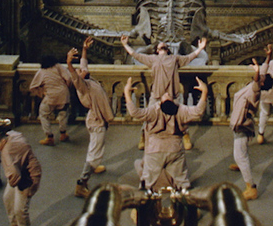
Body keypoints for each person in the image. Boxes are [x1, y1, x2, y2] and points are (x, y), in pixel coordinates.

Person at [121, 34, 207, 149]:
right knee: (148, 115)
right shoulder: (152, 59)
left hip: (172, 94)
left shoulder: (175, 59)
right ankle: (143, 136)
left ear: (167, 50)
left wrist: (200, 48)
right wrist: (125, 44)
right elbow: (135, 55)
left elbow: (190, 57)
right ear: (157, 50)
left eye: (164, 46)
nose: (162, 46)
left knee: (180, 116)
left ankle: (185, 135)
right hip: (157, 94)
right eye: (160, 46)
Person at [124, 74, 207, 191]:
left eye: (166, 96)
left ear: (161, 103)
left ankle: (143, 203)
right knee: (182, 181)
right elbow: (198, 111)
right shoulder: (181, 110)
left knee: (147, 181)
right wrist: (204, 92)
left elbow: (134, 112)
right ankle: (185, 202)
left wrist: (127, 93)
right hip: (175, 149)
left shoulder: (154, 110)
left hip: (155, 150)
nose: (167, 94)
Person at [65, 37, 114, 197]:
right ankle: (82, 183)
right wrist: (69, 63)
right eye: (79, 70)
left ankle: (94, 164)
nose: (81, 69)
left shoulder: (86, 78)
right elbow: (75, 76)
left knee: (95, 147)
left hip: (96, 119)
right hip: (97, 121)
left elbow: (84, 64)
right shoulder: (83, 87)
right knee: (94, 153)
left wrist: (84, 49)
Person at [226, 56, 270, 201]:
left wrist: (257, 71)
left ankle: (251, 187)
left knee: (241, 156)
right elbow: (263, 72)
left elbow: (258, 79)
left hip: (242, 125)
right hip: (239, 123)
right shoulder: (254, 86)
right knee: (239, 152)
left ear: (262, 83)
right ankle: (240, 164)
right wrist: (268, 56)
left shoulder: (255, 90)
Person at [27, 55, 72, 145]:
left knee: (43, 114)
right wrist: (66, 87)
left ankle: (49, 136)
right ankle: (63, 134)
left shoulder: (41, 71)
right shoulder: (59, 66)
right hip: (63, 94)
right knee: (63, 114)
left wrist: (42, 93)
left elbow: (32, 87)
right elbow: (68, 78)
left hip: (51, 96)